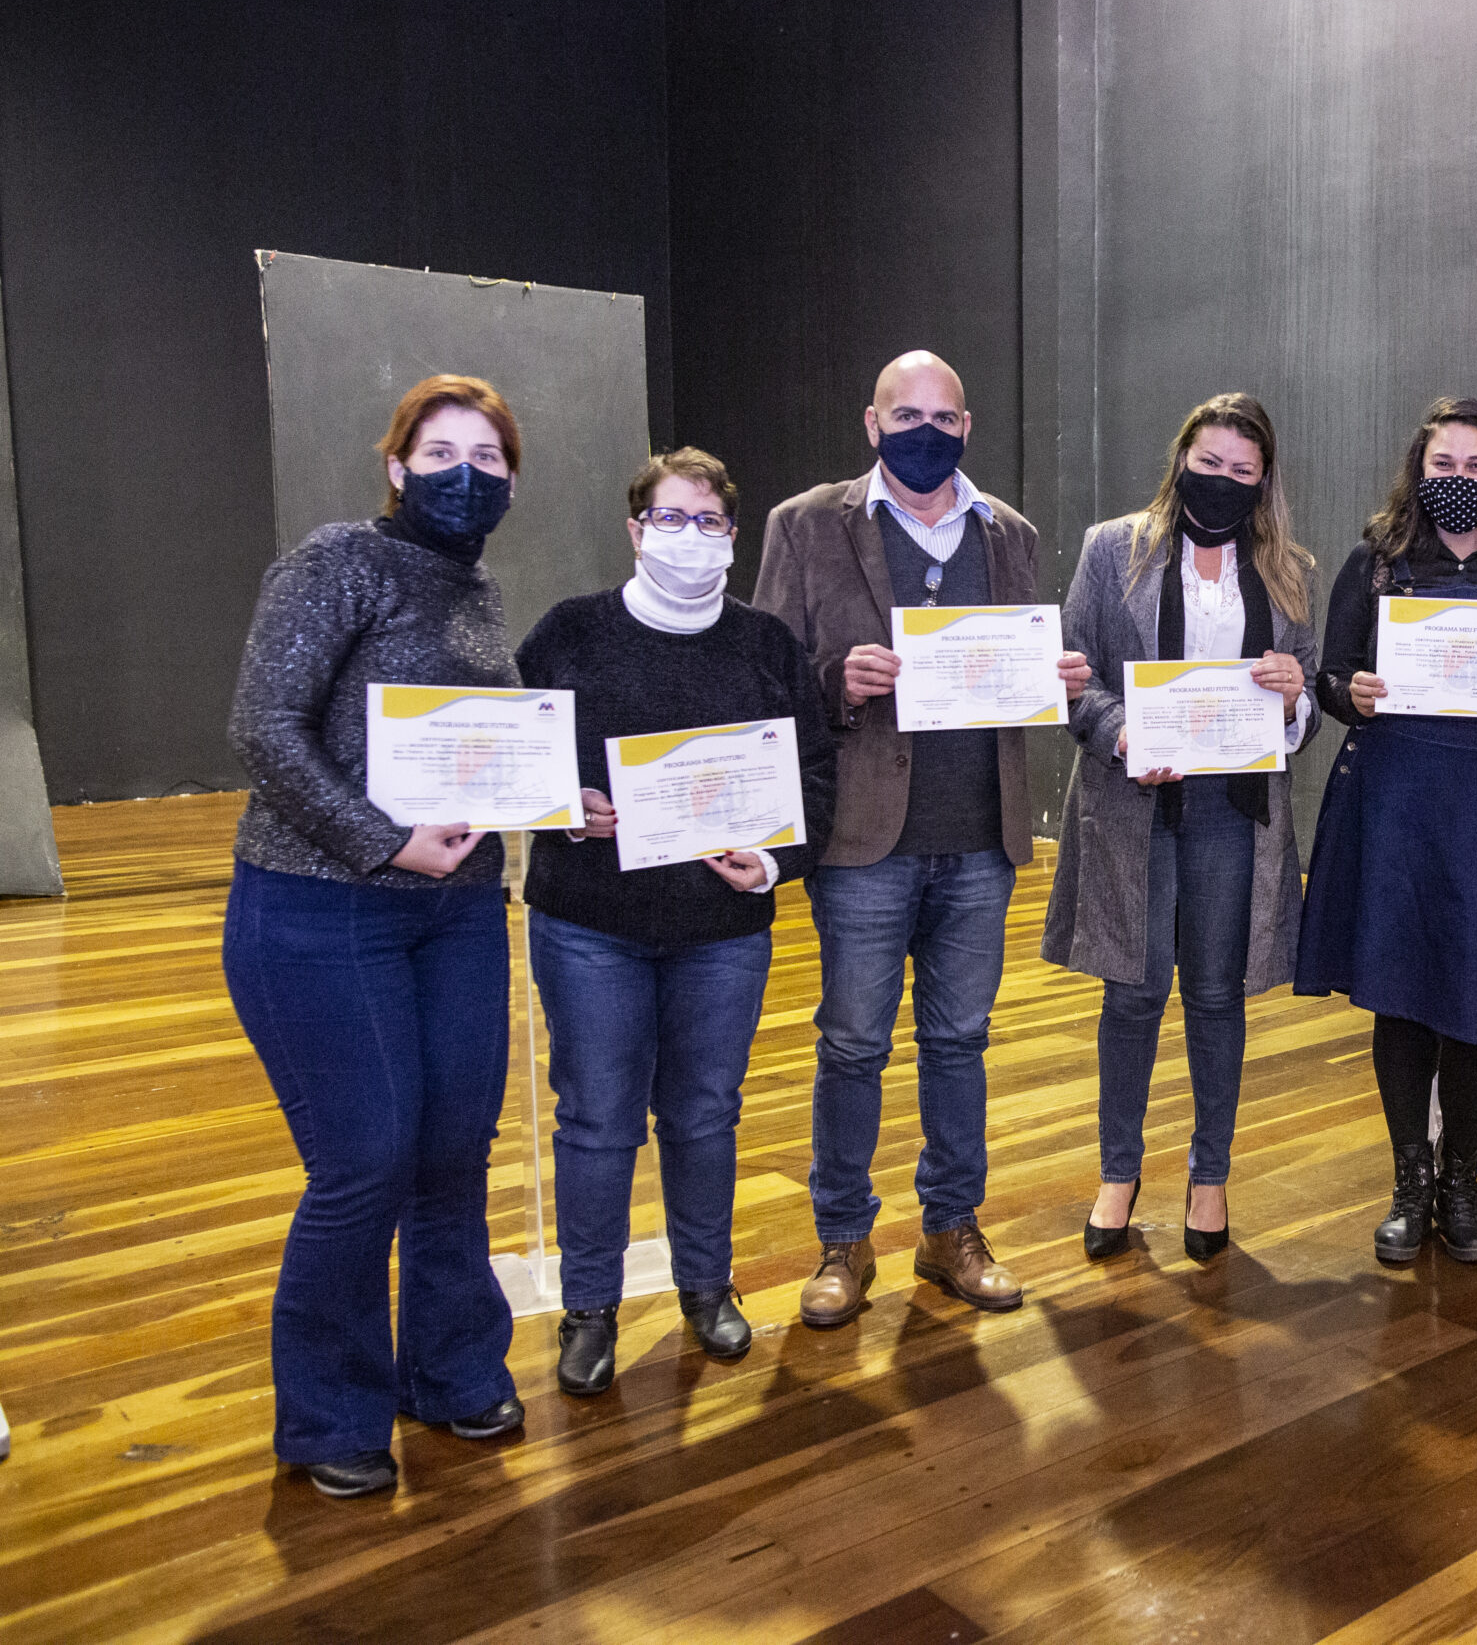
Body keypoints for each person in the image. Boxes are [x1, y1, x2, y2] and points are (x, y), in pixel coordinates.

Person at [223, 374, 529, 1499]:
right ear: (397, 467)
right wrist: (384, 840)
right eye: (441, 452)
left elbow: (485, 751)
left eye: (489, 458)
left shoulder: (478, 587)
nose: (466, 474)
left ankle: (451, 1371)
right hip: (322, 904)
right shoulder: (336, 560)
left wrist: (557, 798)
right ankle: (329, 1414)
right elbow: (263, 727)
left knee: (452, 1152)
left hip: (458, 911)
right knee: (364, 1163)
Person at [754, 351, 1090, 1320]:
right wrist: (834, 682)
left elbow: (1018, 667)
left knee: (959, 1041)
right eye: (906, 415)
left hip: (981, 837)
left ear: (967, 427)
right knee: (853, 1044)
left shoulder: (1009, 533)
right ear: (872, 423)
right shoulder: (805, 523)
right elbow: (765, 671)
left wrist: (1055, 680)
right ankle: (842, 1240)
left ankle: (952, 1229)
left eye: (944, 418)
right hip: (864, 841)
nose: (926, 432)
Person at [515, 448, 836, 1394]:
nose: (688, 537)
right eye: (669, 518)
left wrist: (773, 862)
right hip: (590, 924)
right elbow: (513, 758)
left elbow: (816, 777)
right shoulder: (569, 632)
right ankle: (589, 1306)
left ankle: (705, 1284)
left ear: (731, 536)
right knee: (597, 1119)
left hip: (722, 929)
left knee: (703, 1113)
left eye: (707, 521)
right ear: (635, 529)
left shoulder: (768, 644)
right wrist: (561, 806)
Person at [1296, 397, 1477, 1266]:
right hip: (1397, 805)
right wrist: (1349, 692)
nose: (1459, 478)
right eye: (1443, 465)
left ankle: (1462, 1176)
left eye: (1476, 466)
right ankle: (1410, 1180)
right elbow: (1331, 675)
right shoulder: (1376, 561)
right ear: (1419, 471)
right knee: (1406, 992)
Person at [1044, 395, 1320, 1263]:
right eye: (1209, 462)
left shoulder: (1288, 570)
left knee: (1214, 993)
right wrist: (1123, 732)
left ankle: (1210, 1176)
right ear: (1181, 460)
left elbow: (1308, 697)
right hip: (1134, 803)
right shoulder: (1110, 550)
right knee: (1132, 991)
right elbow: (1073, 679)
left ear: (1263, 481)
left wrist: (1294, 697)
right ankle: (1117, 1172)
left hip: (1232, 815)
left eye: (1242, 469)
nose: (1222, 480)